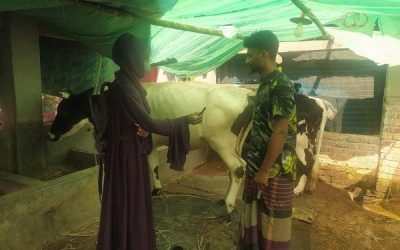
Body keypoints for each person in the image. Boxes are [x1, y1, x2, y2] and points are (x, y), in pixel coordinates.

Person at [97, 33, 203, 250]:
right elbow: (149, 122)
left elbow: (138, 122)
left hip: (131, 150)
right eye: (144, 57)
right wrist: (184, 120)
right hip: (126, 155)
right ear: (131, 57)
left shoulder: (129, 84)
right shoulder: (125, 87)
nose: (147, 63)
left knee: (132, 202)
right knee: (131, 202)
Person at [238, 30, 297, 250]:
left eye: (250, 55)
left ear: (264, 54)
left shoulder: (281, 84)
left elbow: (280, 131)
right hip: (258, 168)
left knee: (273, 230)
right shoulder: (266, 83)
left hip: (276, 171)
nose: (247, 60)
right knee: (253, 226)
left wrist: (264, 169)